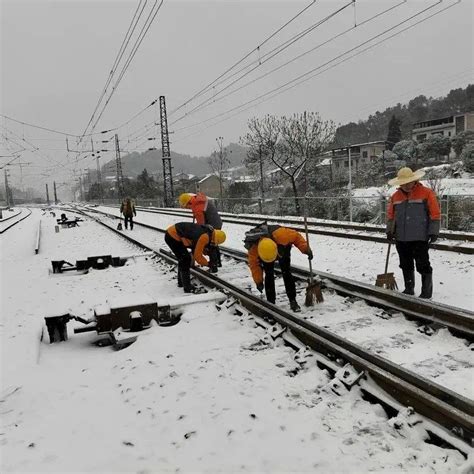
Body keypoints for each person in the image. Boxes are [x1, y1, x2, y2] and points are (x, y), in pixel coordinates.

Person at [386, 167, 441, 299]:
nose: (407, 185)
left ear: (414, 180)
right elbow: (391, 216)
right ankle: (409, 288)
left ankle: (426, 292)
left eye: (409, 182)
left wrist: (433, 231)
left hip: (420, 237)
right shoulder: (395, 196)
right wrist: (389, 230)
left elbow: (435, 213)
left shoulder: (426, 193)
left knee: (423, 264)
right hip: (401, 237)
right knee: (405, 263)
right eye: (404, 183)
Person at [245, 224, 313, 312]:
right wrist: (259, 281)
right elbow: (254, 266)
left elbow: (296, 237)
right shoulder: (254, 248)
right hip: (266, 252)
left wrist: (306, 249)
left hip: (282, 248)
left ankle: (293, 300)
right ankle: (271, 303)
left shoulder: (282, 235)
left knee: (286, 272)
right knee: (269, 274)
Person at [165, 222, 226, 293]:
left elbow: (198, 246)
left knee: (183, 259)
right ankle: (187, 288)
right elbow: (197, 256)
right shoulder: (204, 237)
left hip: (175, 233)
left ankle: (181, 283)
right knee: (185, 259)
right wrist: (208, 264)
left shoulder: (208, 233)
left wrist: (207, 252)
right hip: (172, 236)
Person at [179, 192, 223, 271]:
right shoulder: (197, 201)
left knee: (211, 244)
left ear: (188, 202)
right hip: (215, 222)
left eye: (186, 207)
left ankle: (213, 266)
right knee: (214, 243)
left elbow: (201, 225)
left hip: (213, 224)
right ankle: (217, 262)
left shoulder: (197, 207)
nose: (187, 208)